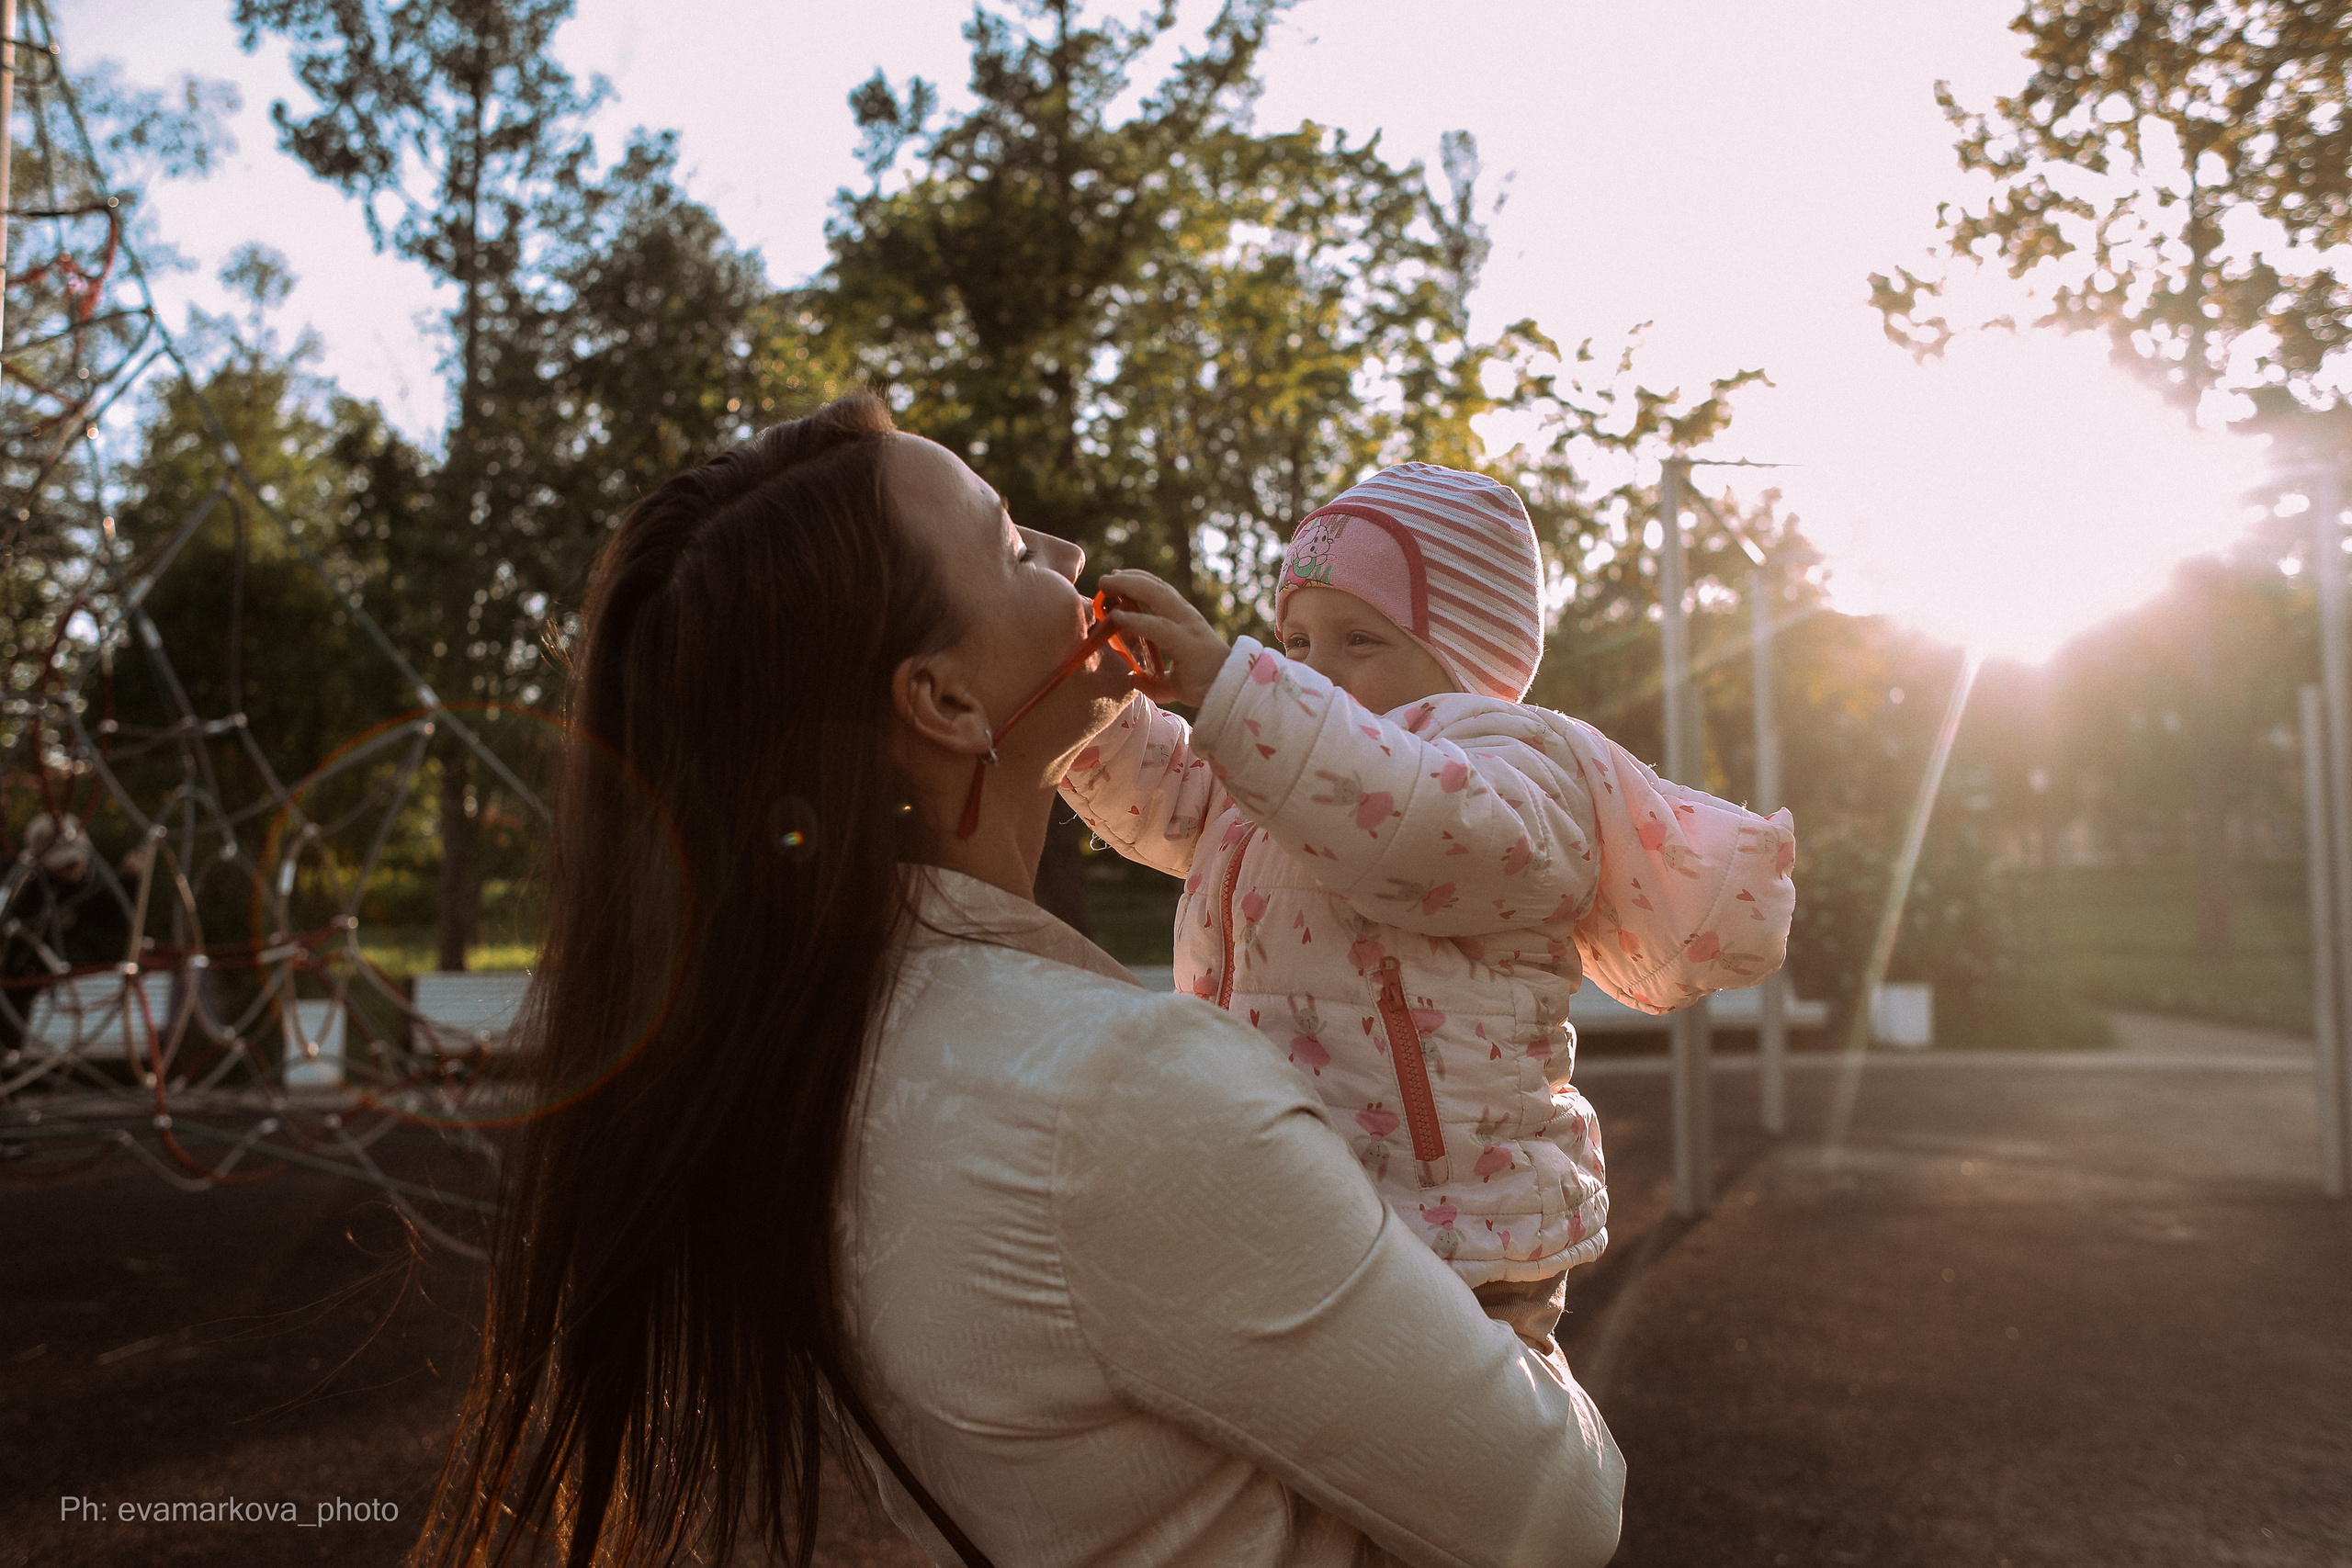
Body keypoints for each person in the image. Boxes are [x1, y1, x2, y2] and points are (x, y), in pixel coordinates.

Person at [421, 398, 1625, 1568]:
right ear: (943, 699)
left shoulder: (823, 1050)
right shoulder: (1127, 1091)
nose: (1068, 555)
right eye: (1009, 543)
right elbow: (1557, 1512)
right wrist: (1508, 1285)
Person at [1065, 462, 1797, 1357]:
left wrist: (1235, 687)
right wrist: (1085, 705)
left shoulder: (1515, 768)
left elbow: (1413, 822)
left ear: (1467, 658)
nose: (1316, 675)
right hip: (1303, 1202)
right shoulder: (1285, 760)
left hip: (1451, 1233)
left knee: (1437, 1473)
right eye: (1295, 646)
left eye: (1358, 642)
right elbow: (1175, 790)